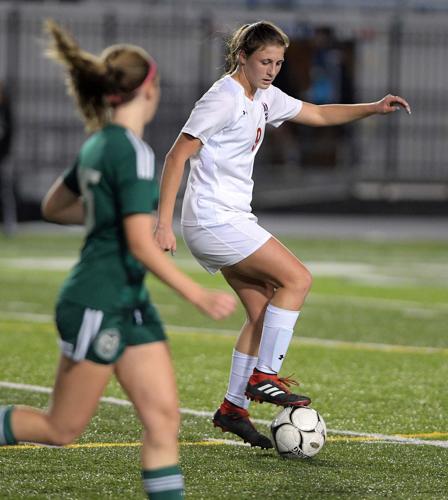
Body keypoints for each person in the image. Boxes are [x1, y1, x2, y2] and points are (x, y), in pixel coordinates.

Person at [0, 19, 236, 499]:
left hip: (128, 303)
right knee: (61, 428)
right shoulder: (132, 152)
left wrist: (108, 217)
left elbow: (53, 207)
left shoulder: (99, 143)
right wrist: (196, 293)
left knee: (163, 421)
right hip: (98, 299)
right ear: (147, 91)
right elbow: (138, 244)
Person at [154, 21, 411, 449]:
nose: (272, 69)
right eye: (264, 61)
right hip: (213, 219)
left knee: (262, 312)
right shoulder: (223, 98)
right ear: (243, 57)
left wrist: (373, 107)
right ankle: (264, 376)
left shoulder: (265, 96)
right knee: (297, 279)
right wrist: (163, 222)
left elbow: (317, 113)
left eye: (278, 62)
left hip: (230, 218)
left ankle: (234, 408)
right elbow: (177, 153)